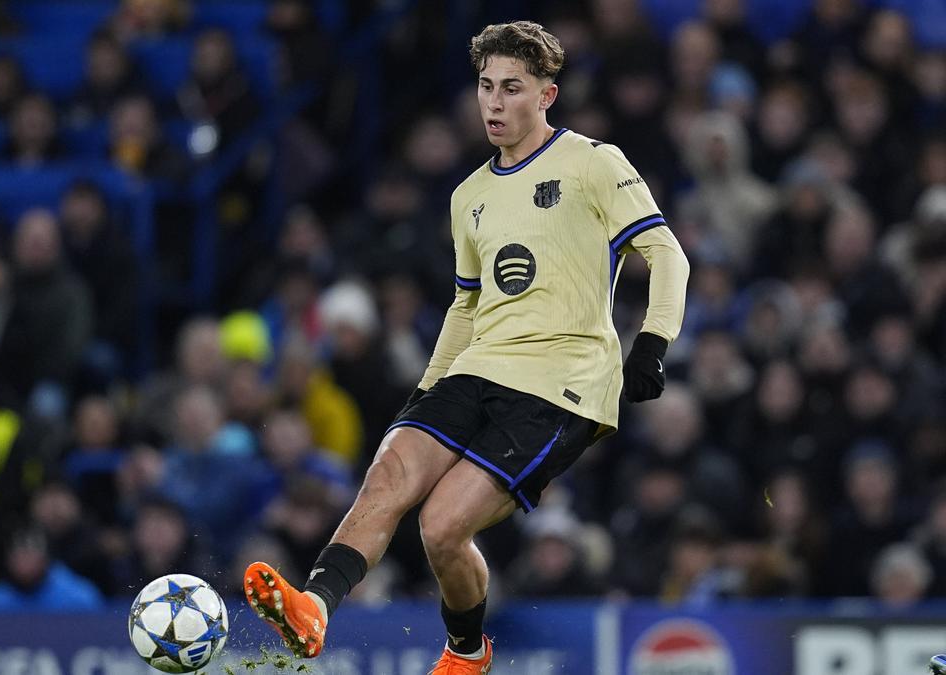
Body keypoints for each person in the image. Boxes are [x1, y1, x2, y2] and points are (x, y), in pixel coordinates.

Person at [242, 20, 689, 672]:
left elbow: (667, 254)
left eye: (512, 88)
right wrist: (428, 388)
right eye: (485, 87)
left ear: (547, 96)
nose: (495, 103)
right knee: (390, 470)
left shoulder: (594, 162)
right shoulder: (469, 196)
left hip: (564, 382)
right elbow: (466, 305)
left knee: (442, 527)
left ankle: (465, 652)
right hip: (477, 366)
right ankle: (314, 605)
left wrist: (651, 343)